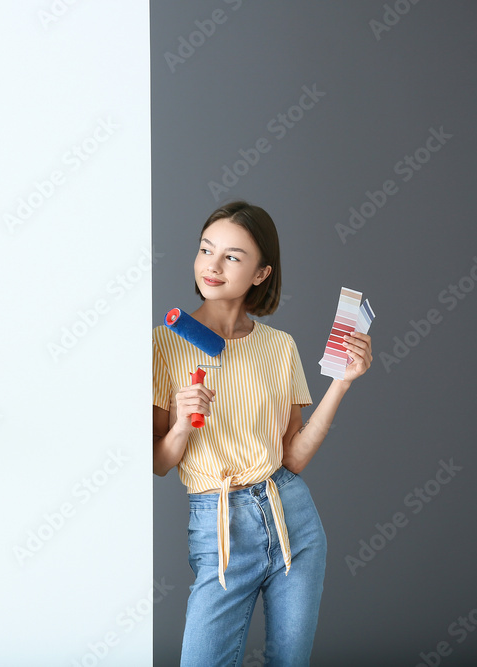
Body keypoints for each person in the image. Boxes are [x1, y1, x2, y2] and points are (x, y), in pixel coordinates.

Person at [152, 201, 372, 666]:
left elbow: (293, 457)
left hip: (292, 517)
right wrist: (183, 422)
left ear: (260, 273)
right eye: (205, 249)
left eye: (232, 256)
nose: (211, 265)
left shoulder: (279, 346)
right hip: (219, 523)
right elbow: (159, 462)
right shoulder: (163, 343)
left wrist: (342, 382)